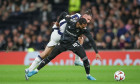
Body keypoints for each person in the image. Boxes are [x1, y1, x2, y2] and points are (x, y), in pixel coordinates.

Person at [26, 12, 101, 80]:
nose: (84, 27)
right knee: (49, 57)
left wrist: (96, 53)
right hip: (62, 43)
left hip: (73, 44)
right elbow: (63, 13)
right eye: (84, 25)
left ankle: (88, 75)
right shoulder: (70, 21)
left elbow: (91, 40)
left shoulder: (84, 29)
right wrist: (57, 23)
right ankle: (35, 70)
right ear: (79, 23)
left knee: (85, 59)